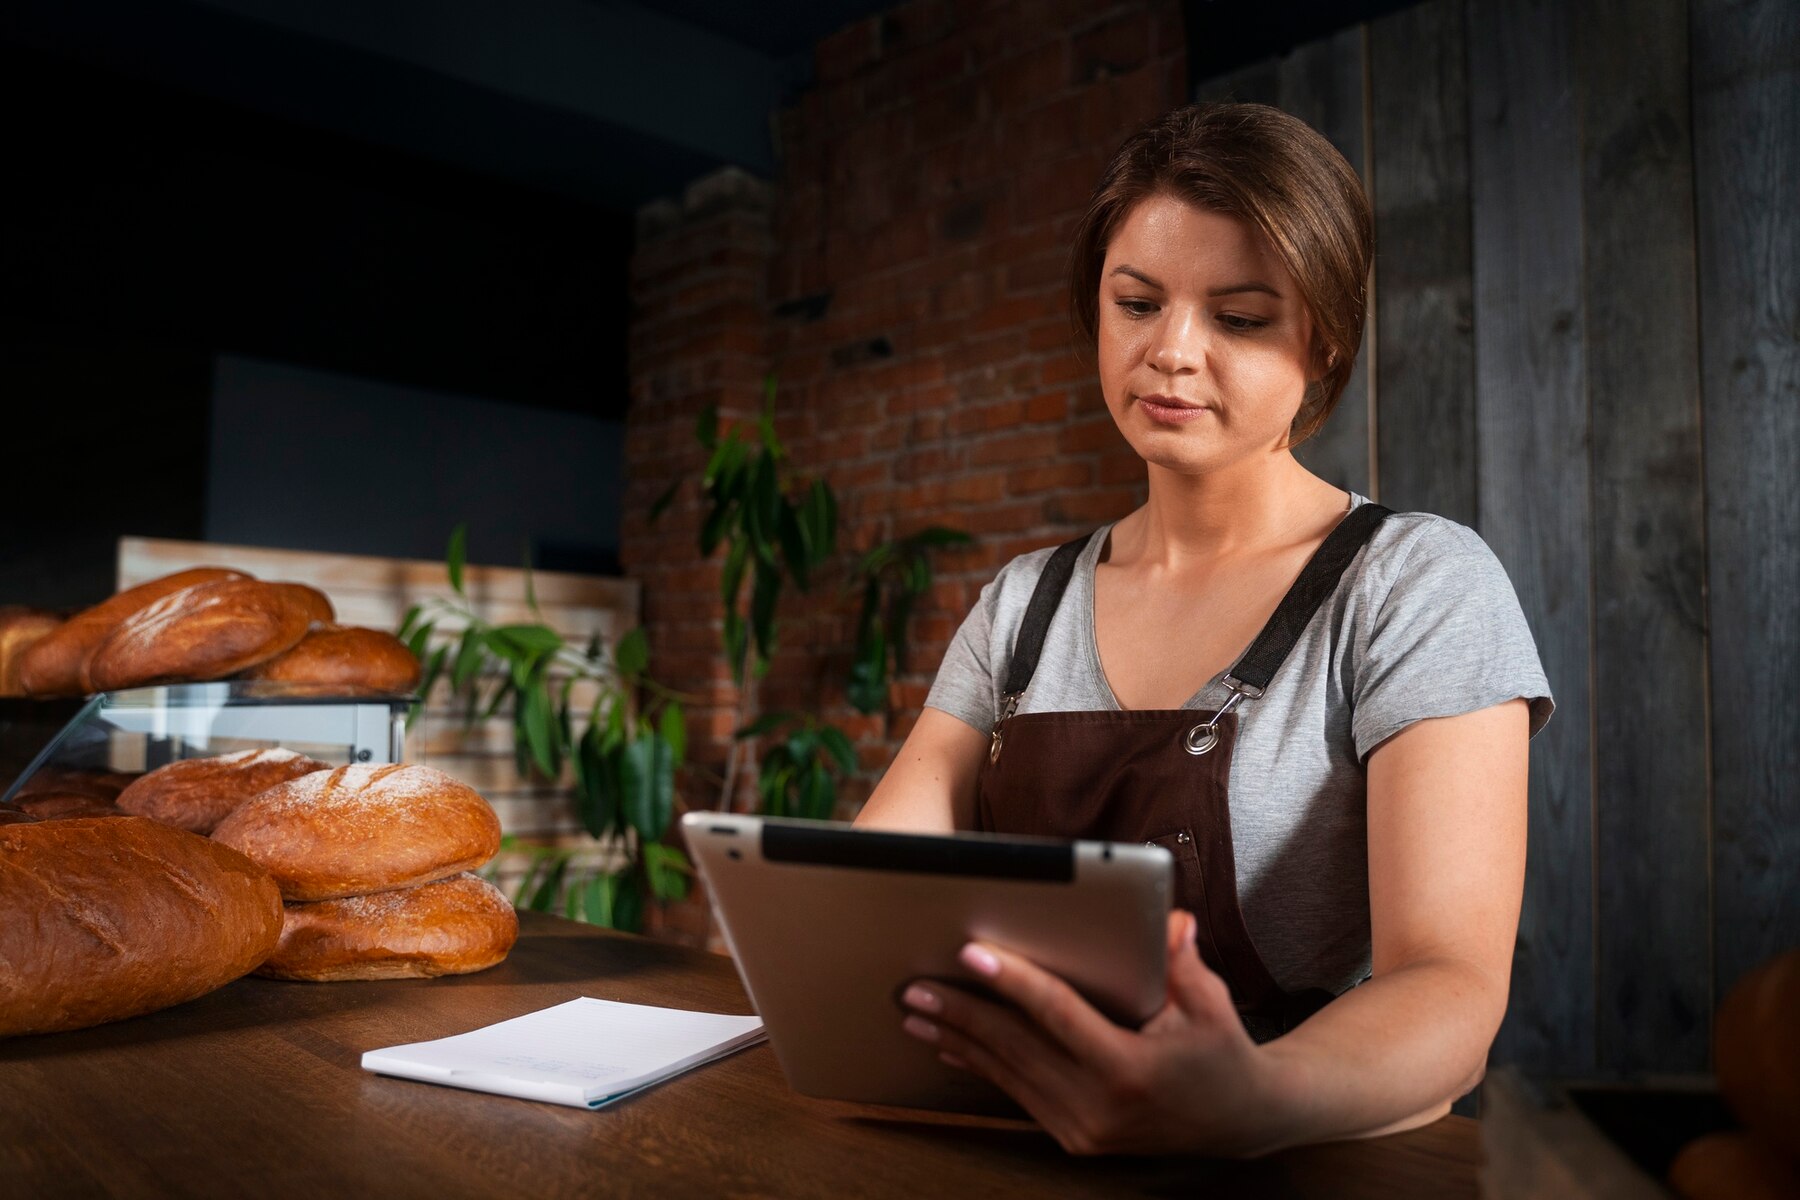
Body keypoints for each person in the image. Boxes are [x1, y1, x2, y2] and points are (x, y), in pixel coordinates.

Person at [853, 102, 1553, 1158]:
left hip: (1287, 1164)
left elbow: (1450, 989)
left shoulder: (1415, 585)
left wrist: (1247, 1101)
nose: (1171, 352)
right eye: (1137, 302)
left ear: (1321, 339)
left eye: (1238, 316)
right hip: (1015, 1144)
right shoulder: (1023, 603)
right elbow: (869, 891)